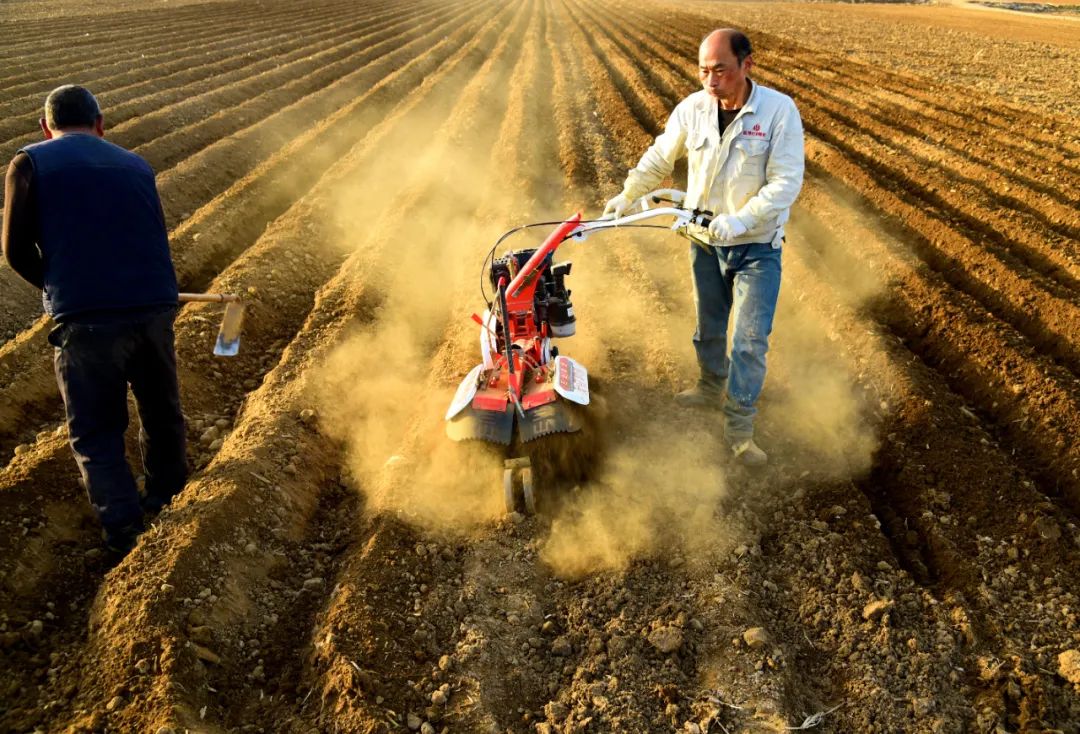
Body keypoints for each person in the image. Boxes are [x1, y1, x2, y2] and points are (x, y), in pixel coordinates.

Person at [603, 29, 805, 467]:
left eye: (720, 71)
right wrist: (629, 192)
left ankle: (739, 428)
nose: (710, 82)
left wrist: (740, 220)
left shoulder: (777, 112)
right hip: (704, 240)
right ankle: (710, 386)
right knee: (708, 324)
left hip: (756, 245)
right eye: (703, 71)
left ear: (747, 65)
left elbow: (785, 182)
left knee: (749, 340)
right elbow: (660, 155)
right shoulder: (693, 109)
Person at [2, 85, 187, 553]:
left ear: (45, 127)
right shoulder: (137, 164)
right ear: (102, 124)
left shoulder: (29, 163)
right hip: (154, 306)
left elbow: (14, 250)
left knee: (97, 429)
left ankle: (126, 533)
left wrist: (57, 285)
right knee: (161, 411)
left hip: (86, 317)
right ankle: (170, 498)